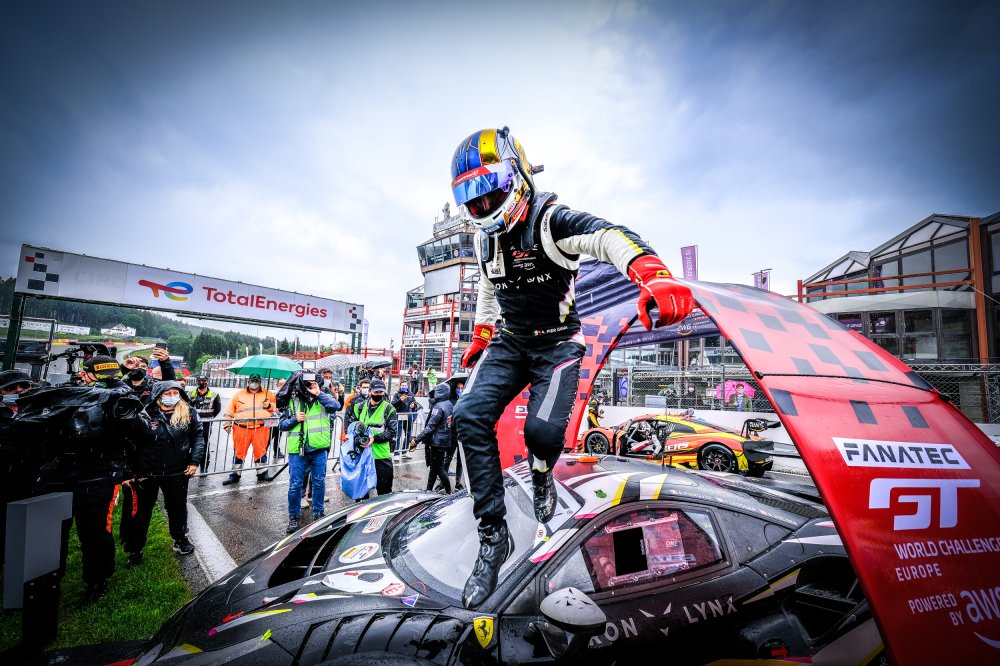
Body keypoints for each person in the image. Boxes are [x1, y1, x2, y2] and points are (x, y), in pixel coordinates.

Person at [449, 127, 694, 609]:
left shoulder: (551, 221)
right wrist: (481, 335)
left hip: (558, 343)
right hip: (510, 340)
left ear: (518, 178)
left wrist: (654, 274)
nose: (483, 205)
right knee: (467, 415)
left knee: (542, 433)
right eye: (472, 198)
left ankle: (542, 474)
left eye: (490, 191)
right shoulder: (483, 242)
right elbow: (488, 287)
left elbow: (608, 236)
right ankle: (493, 537)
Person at [29, 356, 139, 607]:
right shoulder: (69, 392)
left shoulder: (121, 398)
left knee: (95, 533)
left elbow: (137, 429)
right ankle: (47, 582)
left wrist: (116, 391)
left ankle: (97, 581)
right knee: (53, 534)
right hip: (59, 475)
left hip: (99, 477)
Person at [125, 381, 204, 565]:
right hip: (147, 472)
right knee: (141, 512)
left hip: (177, 471)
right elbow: (131, 442)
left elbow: (198, 437)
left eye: (176, 392)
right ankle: (135, 548)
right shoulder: (144, 412)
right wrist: (128, 471)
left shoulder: (189, 412)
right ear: (158, 395)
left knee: (177, 508)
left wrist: (194, 461)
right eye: (168, 393)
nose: (172, 396)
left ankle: (180, 539)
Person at [279, 372, 341, 533]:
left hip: (319, 449)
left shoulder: (323, 398)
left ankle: (319, 515)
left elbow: (336, 406)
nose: (309, 386)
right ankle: (294, 518)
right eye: (307, 383)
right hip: (297, 451)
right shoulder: (293, 401)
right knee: (295, 485)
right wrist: (295, 419)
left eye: (313, 383)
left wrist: (319, 393)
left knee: (319, 482)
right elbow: (282, 425)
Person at [0, 370, 36, 563]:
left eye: (24, 386)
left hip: (33, 480)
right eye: (11, 388)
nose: (19, 390)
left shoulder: (42, 409)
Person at [343, 378, 397, 495]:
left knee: (384, 493)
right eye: (376, 392)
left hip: (381, 456)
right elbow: (351, 427)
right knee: (361, 493)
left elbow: (392, 432)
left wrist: (374, 438)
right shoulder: (359, 407)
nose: (378, 394)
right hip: (362, 455)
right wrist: (355, 439)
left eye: (381, 392)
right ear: (370, 391)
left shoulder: (389, 409)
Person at [222, 373, 276, 485]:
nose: (254, 383)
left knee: (261, 451)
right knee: (239, 452)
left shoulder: (269, 394)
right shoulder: (238, 395)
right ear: (248, 382)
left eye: (256, 381)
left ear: (260, 382)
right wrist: (227, 424)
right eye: (252, 381)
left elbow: (276, 408)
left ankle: (262, 473)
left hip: (261, 428)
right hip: (241, 428)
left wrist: (269, 405)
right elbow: (229, 410)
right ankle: (235, 474)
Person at [410, 382, 453, 494]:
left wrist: (416, 439)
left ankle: (449, 491)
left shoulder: (438, 407)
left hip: (437, 442)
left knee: (438, 468)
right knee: (434, 467)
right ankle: (428, 490)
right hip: (443, 441)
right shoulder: (448, 404)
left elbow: (430, 427)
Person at [188, 375, 221, 472]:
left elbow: (217, 409)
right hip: (192, 424)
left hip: (206, 424)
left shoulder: (214, 394)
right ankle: (189, 466)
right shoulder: (190, 394)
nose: (202, 382)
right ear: (196, 381)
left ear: (207, 381)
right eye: (199, 380)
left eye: (204, 380)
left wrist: (209, 417)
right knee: (188, 444)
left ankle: (204, 467)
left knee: (204, 445)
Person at [390, 381, 419, 458]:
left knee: (408, 434)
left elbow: (416, 404)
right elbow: (392, 404)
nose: (404, 386)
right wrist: (400, 400)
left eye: (405, 385)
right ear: (400, 386)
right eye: (403, 385)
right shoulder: (397, 394)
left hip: (408, 417)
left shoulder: (411, 394)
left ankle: (404, 451)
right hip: (399, 417)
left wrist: (414, 405)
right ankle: (396, 453)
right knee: (398, 435)